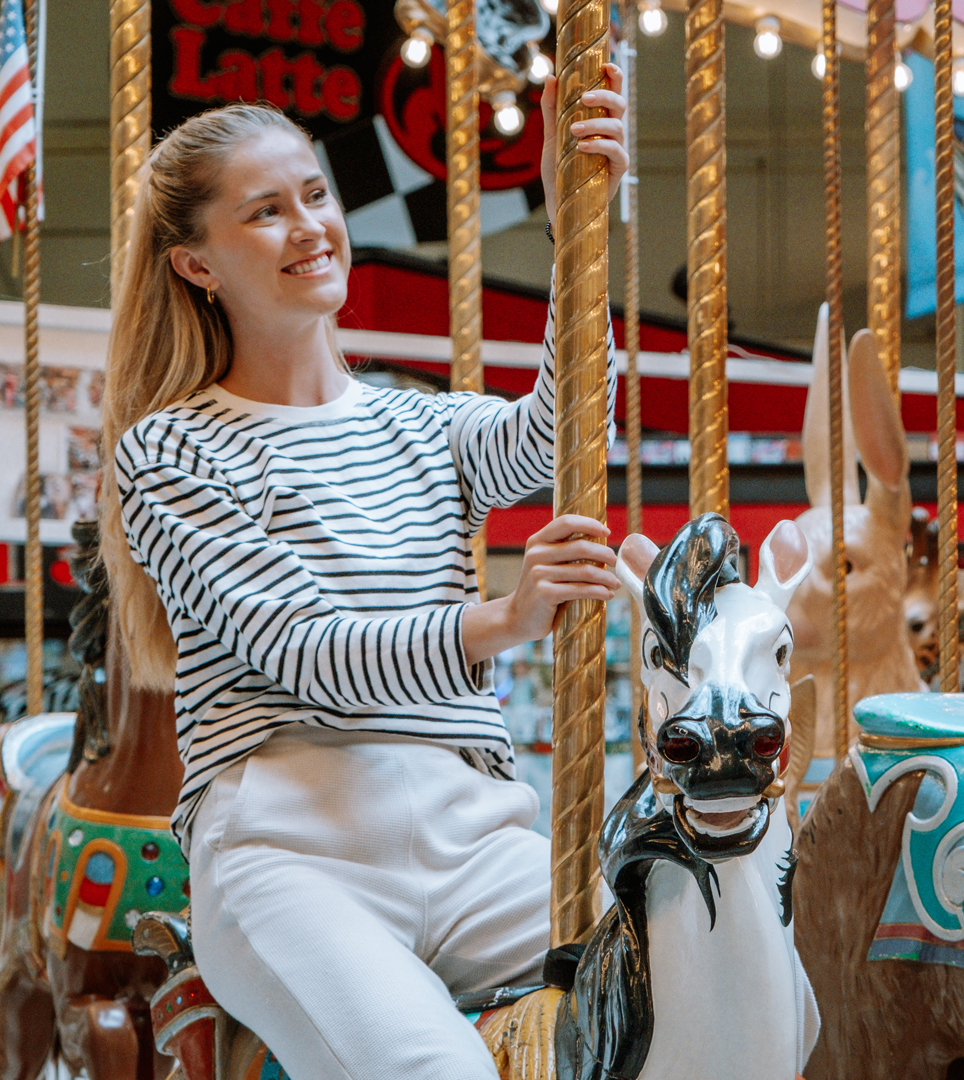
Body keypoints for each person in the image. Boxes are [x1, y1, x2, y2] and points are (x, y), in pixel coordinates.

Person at [100, 70, 628, 1080]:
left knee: (710, 971)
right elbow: (302, 651)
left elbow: (562, 440)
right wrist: (501, 619)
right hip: (294, 847)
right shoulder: (173, 452)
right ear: (196, 264)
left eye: (315, 195)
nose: (310, 225)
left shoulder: (420, 422)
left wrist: (578, 240)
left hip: (474, 832)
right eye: (265, 212)